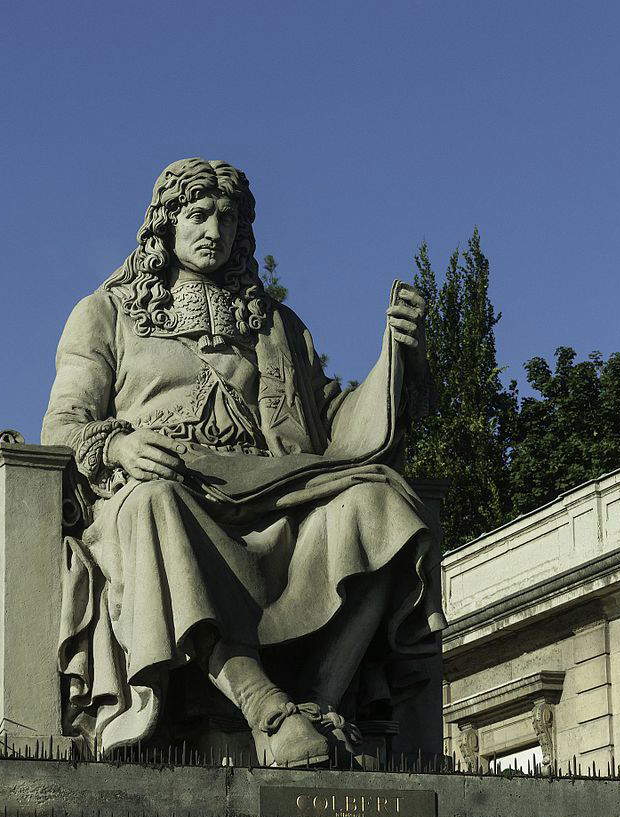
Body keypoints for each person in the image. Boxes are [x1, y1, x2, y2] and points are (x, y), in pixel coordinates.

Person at [42, 158, 445, 767]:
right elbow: (64, 426)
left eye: (227, 219)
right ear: (165, 226)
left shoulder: (276, 325)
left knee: (381, 501)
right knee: (155, 504)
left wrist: (398, 360)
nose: (213, 231)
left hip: (272, 494)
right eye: (198, 215)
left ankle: (320, 703)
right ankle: (265, 708)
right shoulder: (106, 314)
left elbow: (338, 431)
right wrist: (117, 445)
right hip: (165, 490)